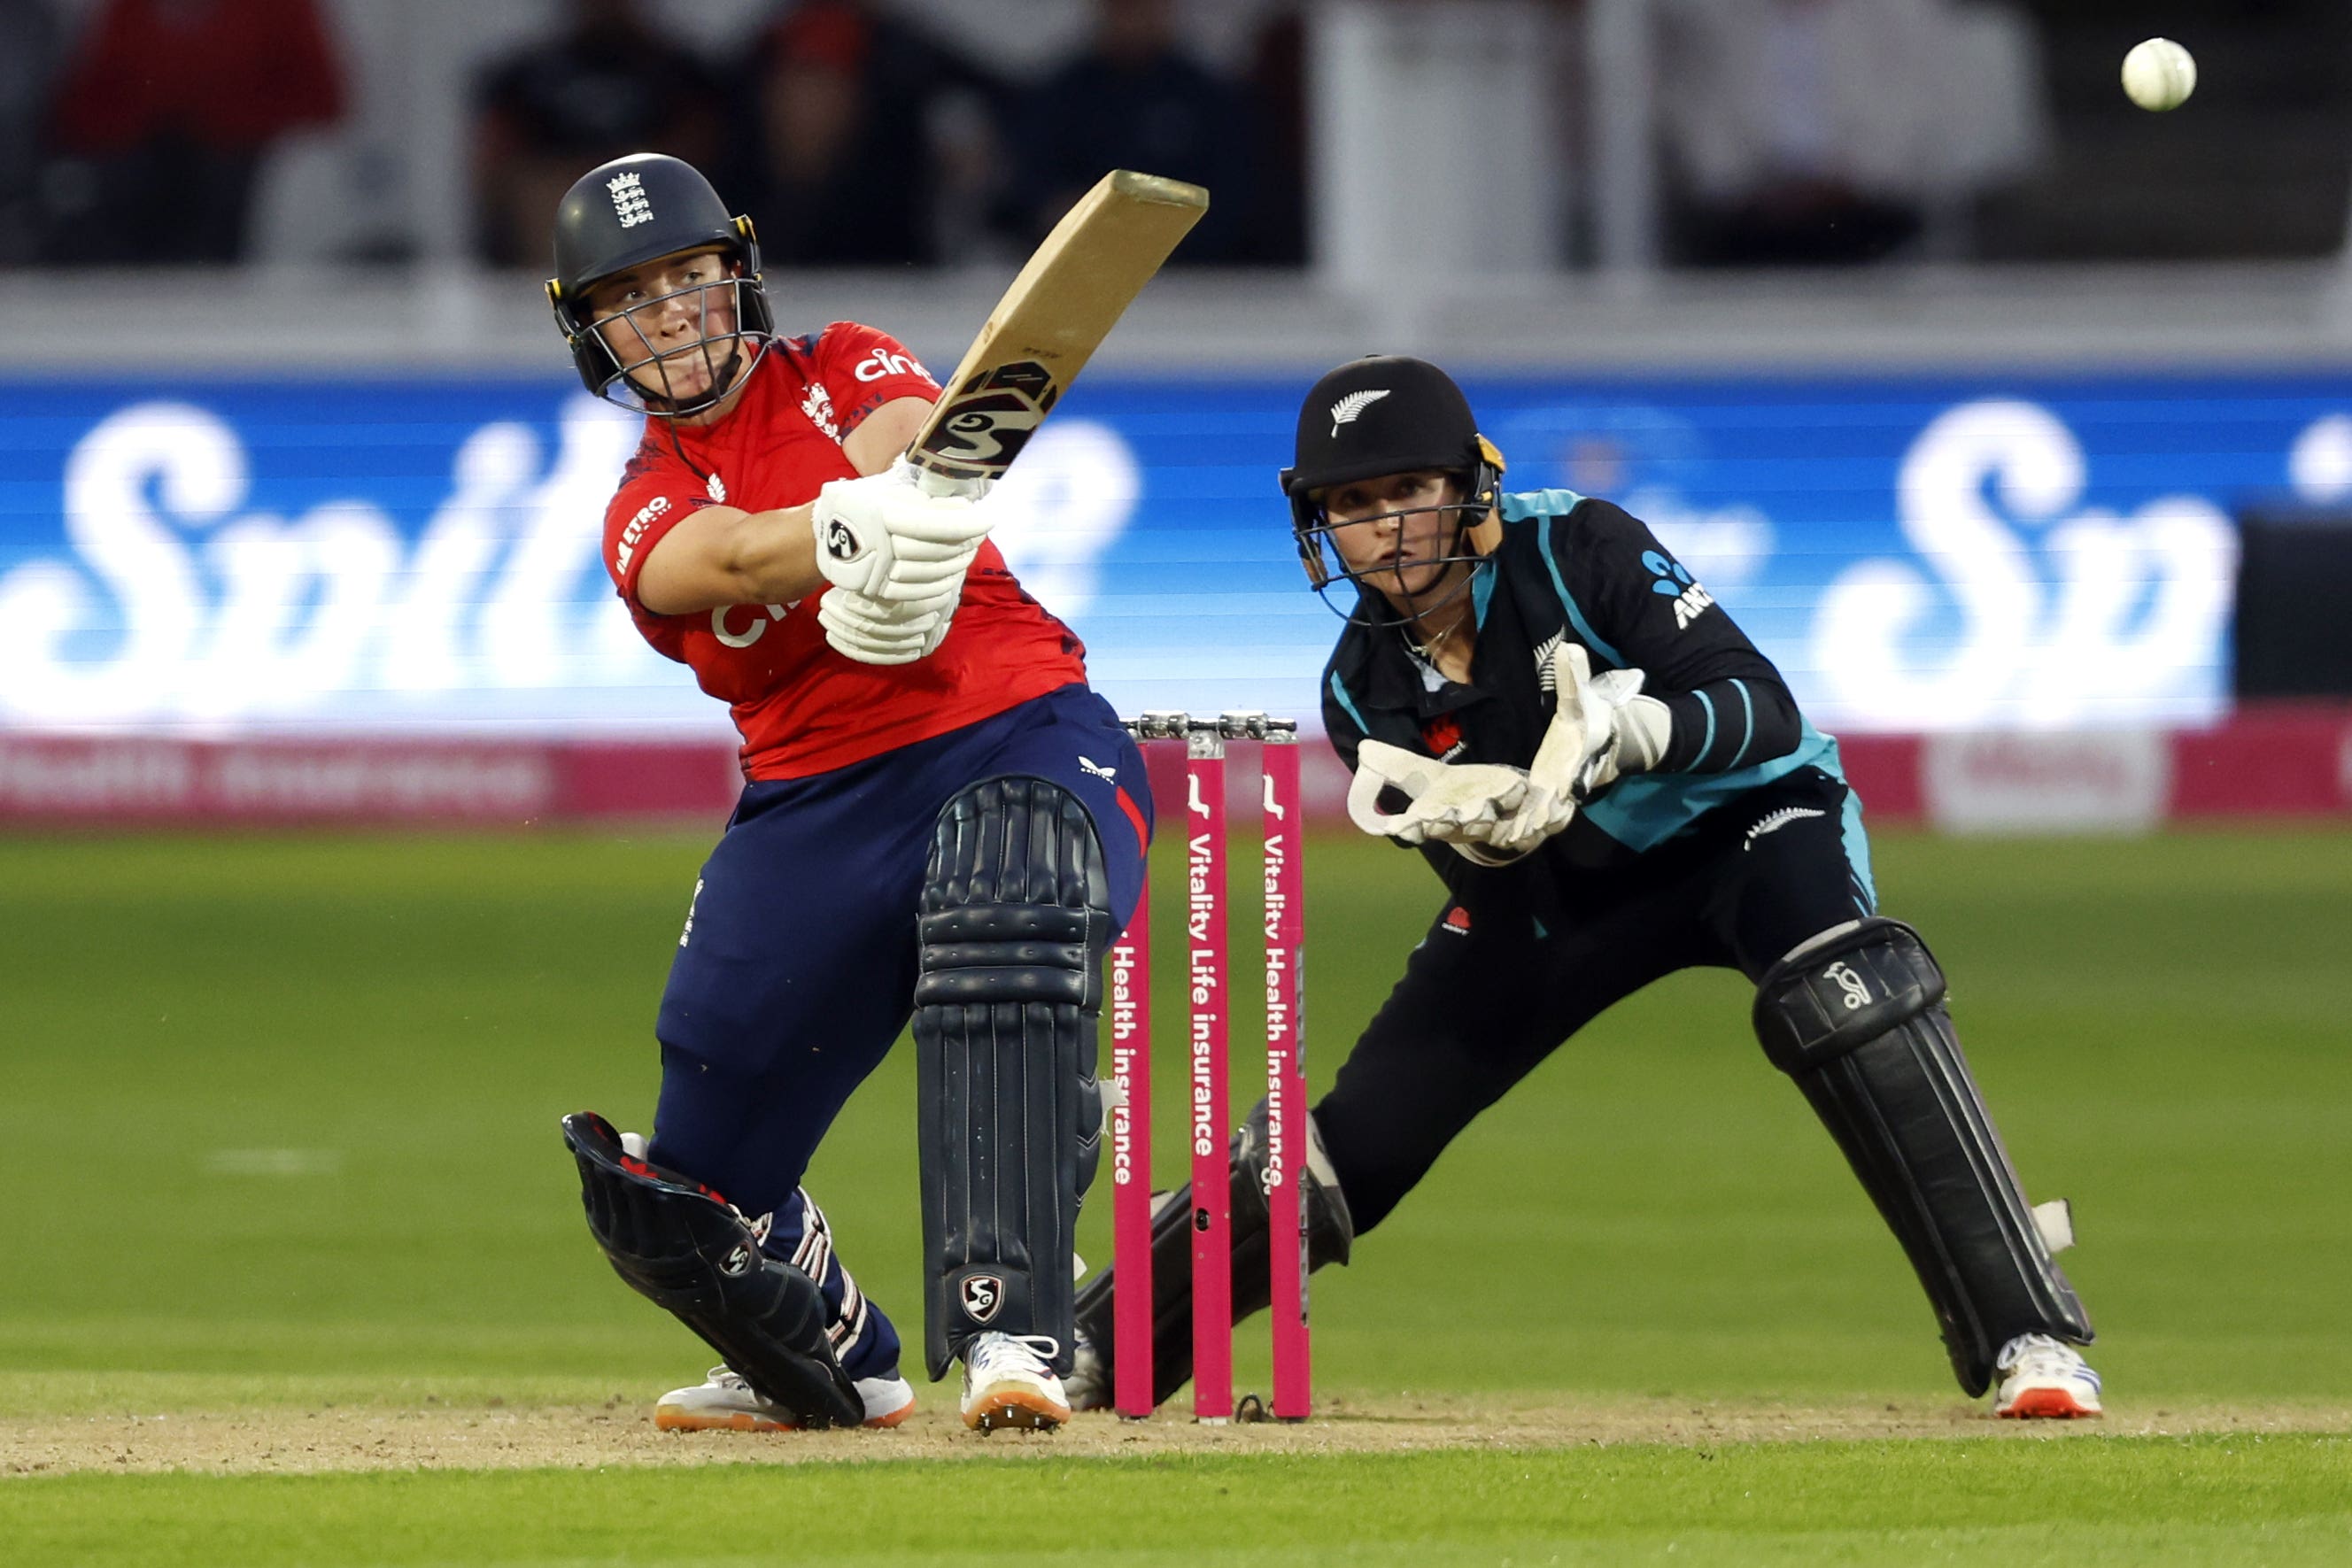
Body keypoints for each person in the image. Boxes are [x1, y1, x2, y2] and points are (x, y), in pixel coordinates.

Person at [1068, 356, 2104, 1421]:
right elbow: (1481, 886)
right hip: (1562, 886)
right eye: (1353, 503)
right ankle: (1097, 1346)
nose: (1386, 526)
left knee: (1845, 993)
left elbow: (1766, 711)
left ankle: (2031, 1333)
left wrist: (1632, 727)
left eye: (1409, 490)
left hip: (1743, 823)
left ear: (1471, 484)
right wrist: (1486, 836)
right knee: (1355, 1141)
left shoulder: (1579, 545)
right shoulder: (1358, 692)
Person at [546, 151, 1152, 1434]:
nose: (671, 314)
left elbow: (910, 449)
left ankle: (1014, 1325)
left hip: (1015, 730)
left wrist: (907, 511)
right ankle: (844, 1354)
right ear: (593, 333)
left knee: (1010, 899)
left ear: (740, 277)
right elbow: (706, 561)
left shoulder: (844, 366)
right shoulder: (643, 502)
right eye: (632, 297)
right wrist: (842, 537)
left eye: (693, 279)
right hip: (814, 802)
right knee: (683, 1189)